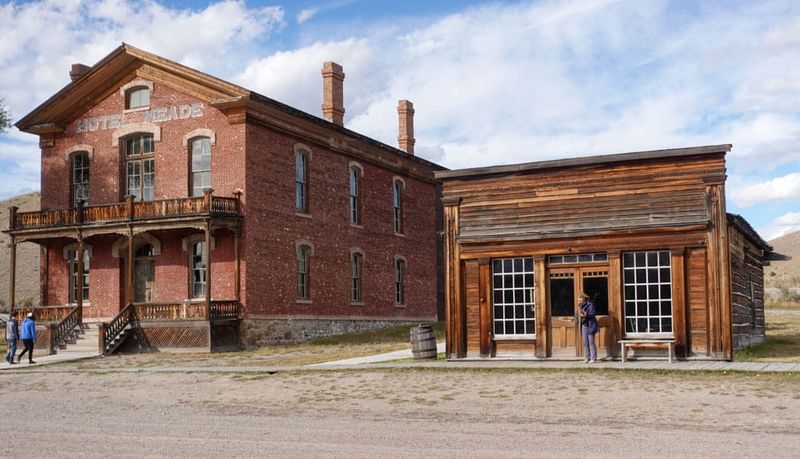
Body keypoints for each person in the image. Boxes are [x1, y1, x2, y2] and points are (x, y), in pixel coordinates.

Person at [579, 292, 599, 363]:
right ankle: (586, 358)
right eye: (579, 299)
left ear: (584, 298)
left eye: (580, 298)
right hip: (584, 324)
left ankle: (593, 358)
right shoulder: (580, 305)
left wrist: (585, 314)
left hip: (591, 325)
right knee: (585, 342)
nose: (579, 300)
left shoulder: (590, 304)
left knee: (591, 342)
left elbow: (593, 314)